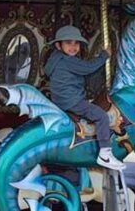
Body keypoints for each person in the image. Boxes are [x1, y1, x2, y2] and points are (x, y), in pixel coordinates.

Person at [44, 25, 124, 171]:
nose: (73, 47)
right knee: (101, 116)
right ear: (58, 45)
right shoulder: (67, 60)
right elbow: (88, 68)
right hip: (72, 101)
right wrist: (104, 55)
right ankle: (105, 154)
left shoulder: (54, 59)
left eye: (76, 43)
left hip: (60, 101)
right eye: (68, 43)